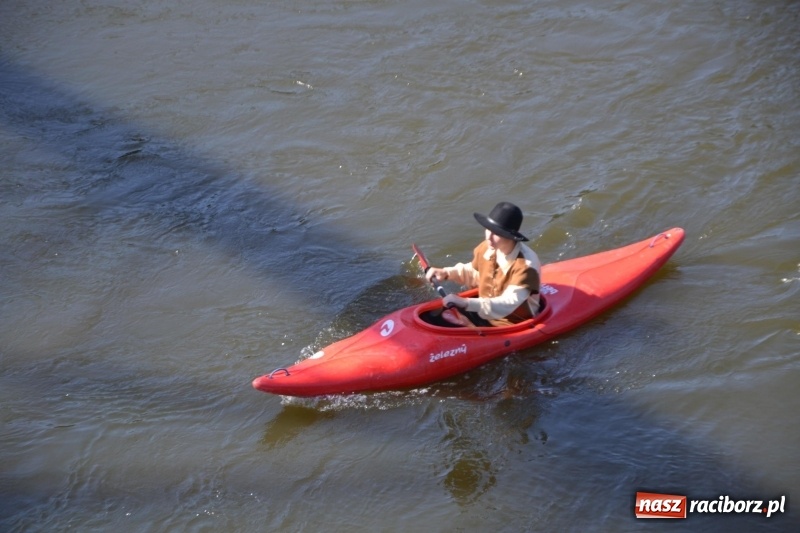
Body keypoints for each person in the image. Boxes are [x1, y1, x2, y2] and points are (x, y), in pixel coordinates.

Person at [425, 201, 541, 327]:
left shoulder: (526, 266)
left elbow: (509, 303)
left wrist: (465, 303)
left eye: (496, 233)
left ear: (510, 237)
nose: (489, 237)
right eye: (488, 229)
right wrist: (447, 273)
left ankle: (470, 325)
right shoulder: (488, 247)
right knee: (433, 317)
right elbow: (474, 273)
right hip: (482, 311)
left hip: (510, 322)